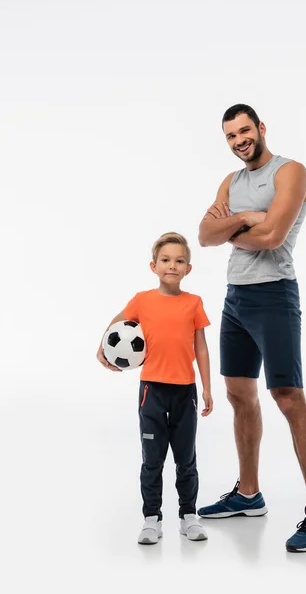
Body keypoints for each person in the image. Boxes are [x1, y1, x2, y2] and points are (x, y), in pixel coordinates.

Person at [197, 104, 306, 552]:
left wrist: (233, 225)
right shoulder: (231, 182)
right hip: (235, 298)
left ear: (260, 128)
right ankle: (248, 493)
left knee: (288, 396)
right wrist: (245, 219)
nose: (239, 140)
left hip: (274, 295)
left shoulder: (291, 172)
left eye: (244, 130)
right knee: (239, 394)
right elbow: (203, 234)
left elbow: (274, 237)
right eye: (230, 136)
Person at [97, 232, 213, 545]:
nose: (172, 265)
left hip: (184, 391)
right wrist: (102, 347)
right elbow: (117, 325)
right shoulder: (142, 300)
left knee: (186, 458)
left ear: (188, 268)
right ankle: (152, 519)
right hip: (152, 390)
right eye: (165, 260)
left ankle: (189, 515)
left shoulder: (194, 303)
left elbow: (201, 348)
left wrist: (207, 388)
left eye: (179, 261)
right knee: (152, 459)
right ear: (154, 266)